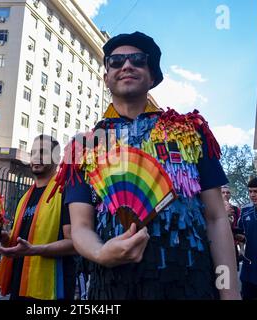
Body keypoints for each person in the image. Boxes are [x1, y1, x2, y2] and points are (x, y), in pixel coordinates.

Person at [50, 31, 240, 299]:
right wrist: (100, 253)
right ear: (106, 78)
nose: (127, 65)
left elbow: (216, 217)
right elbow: (80, 227)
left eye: (138, 60)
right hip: (111, 289)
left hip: (191, 286)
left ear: (153, 76)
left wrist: (230, 291)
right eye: (116, 62)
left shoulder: (191, 132)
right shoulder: (81, 147)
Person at [0, 135, 76, 300]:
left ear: (56, 158)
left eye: (43, 152)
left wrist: (34, 250)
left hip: (52, 288)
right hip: (21, 284)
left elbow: (74, 243)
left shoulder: (65, 191)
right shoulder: (25, 197)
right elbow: (20, 241)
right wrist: (4, 238)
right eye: (33, 152)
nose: (36, 157)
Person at [221, 185, 243, 270]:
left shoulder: (236, 210)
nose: (225, 194)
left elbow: (239, 229)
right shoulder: (213, 209)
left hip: (232, 246)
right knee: (222, 274)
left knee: (233, 272)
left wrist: (242, 249)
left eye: (228, 192)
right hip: (219, 246)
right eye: (223, 192)